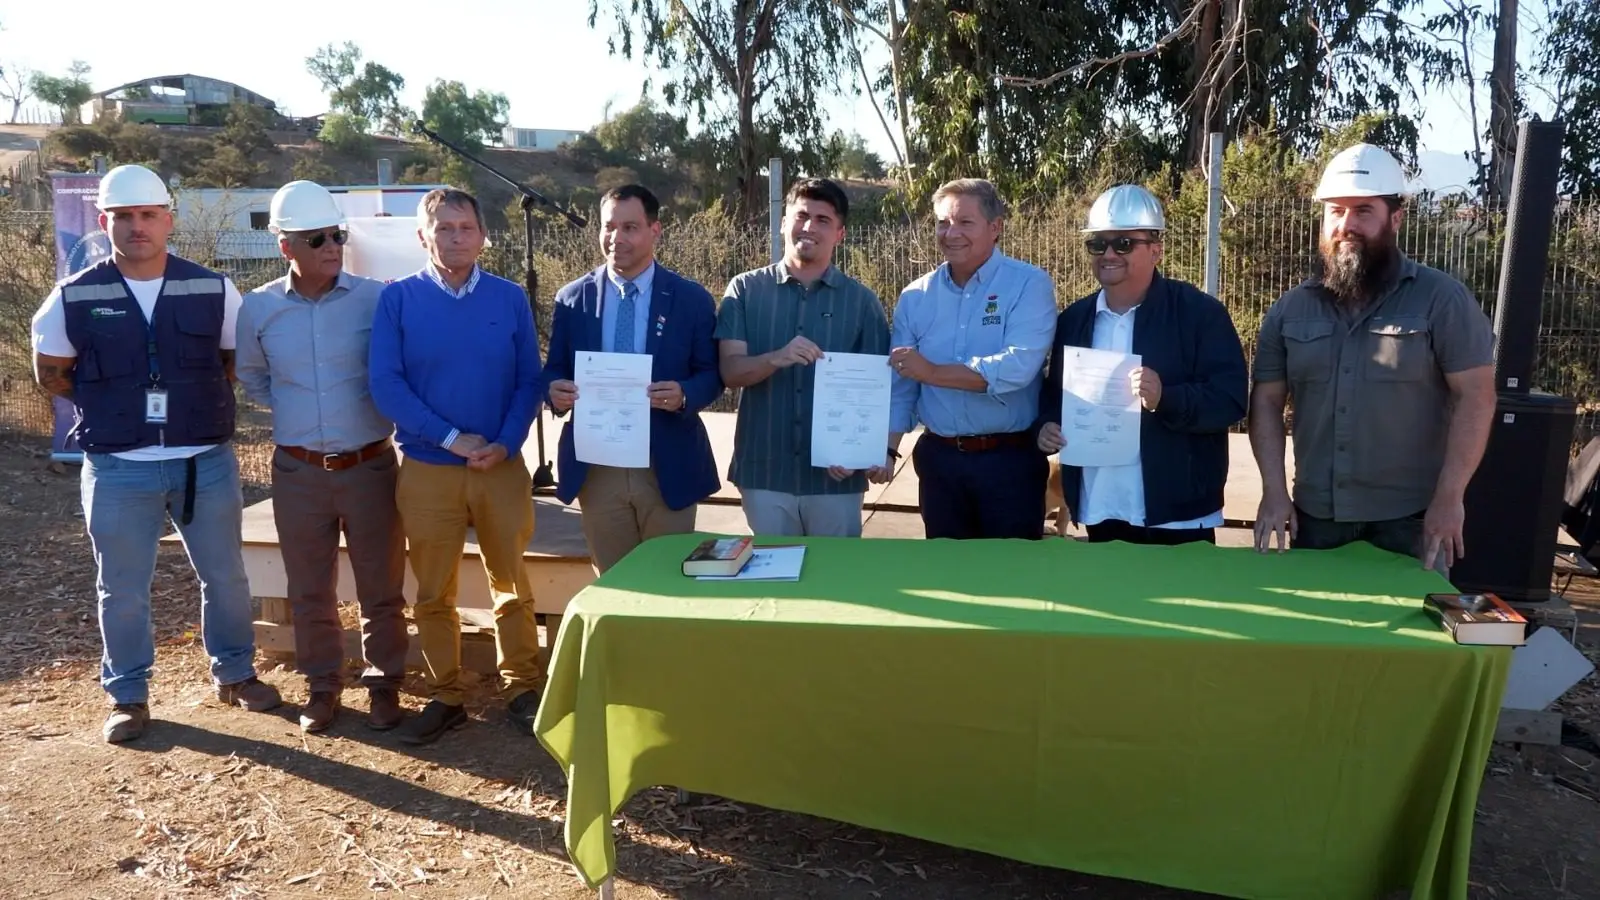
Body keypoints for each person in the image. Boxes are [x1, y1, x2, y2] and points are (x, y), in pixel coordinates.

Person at [30, 164, 281, 744]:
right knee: (121, 588)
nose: (137, 227)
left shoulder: (214, 288)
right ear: (104, 222)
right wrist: (120, 410)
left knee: (226, 578)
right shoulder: (73, 296)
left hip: (206, 465)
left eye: (148, 215)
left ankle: (236, 674)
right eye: (124, 217)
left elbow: (232, 364)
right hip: (118, 470)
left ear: (169, 219)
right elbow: (52, 376)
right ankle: (128, 694)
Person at [1249, 143, 1496, 571]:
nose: (1347, 225)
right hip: (1317, 520)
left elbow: (1477, 397)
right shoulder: (1290, 309)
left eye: (1364, 211)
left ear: (1394, 218)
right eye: (1336, 212)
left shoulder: (1441, 300)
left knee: (1411, 638)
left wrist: (1450, 497)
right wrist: (1274, 491)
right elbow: (1266, 402)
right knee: (1314, 634)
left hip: (1412, 523)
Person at [368, 187, 545, 745]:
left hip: (501, 465)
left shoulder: (508, 297)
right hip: (428, 468)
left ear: (483, 234)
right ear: (423, 236)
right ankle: (446, 694)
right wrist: (451, 439)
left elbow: (527, 379)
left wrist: (507, 441)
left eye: (466, 226)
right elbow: (385, 385)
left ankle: (522, 687)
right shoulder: (398, 301)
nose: (456, 236)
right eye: (443, 228)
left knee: (512, 582)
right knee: (434, 591)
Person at [236, 181, 408, 734]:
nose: (332, 246)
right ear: (286, 246)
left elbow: (395, 372)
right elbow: (254, 378)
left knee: (382, 586)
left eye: (338, 234)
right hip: (298, 472)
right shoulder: (258, 309)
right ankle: (323, 687)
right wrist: (300, 414)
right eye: (317, 238)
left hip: (370, 468)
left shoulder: (375, 300)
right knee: (309, 588)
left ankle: (384, 685)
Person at [1035, 185, 1248, 545]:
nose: (1109, 254)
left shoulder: (1199, 314)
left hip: (1178, 515)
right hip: (1099, 507)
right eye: (1098, 244)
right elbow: (1055, 396)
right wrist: (1044, 427)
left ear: (1157, 250)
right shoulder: (1074, 320)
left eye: (1124, 243)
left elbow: (1230, 399)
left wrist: (1166, 398)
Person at [543, 185, 722, 572]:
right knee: (613, 585)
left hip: (665, 465)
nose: (616, 238)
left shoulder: (691, 299)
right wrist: (553, 391)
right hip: (598, 467)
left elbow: (712, 373)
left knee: (668, 582)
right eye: (609, 227)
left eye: (630, 227)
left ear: (654, 231)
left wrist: (684, 394)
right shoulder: (573, 299)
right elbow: (554, 369)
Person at [716, 178, 890, 537]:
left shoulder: (861, 302)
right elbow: (730, 371)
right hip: (764, 473)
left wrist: (860, 452)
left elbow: (877, 390)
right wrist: (776, 358)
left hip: (835, 479)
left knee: (834, 586)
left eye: (823, 220)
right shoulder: (744, 291)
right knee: (772, 581)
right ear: (784, 223)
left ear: (839, 234)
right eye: (801, 215)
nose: (809, 227)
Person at [888, 178, 1058, 540]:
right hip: (939, 463)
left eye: (965, 222)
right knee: (950, 578)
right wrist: (888, 450)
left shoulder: (1028, 285)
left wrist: (932, 372)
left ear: (995, 227)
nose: (951, 233)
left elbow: (1018, 367)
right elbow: (902, 386)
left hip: (1010, 463)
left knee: (1013, 579)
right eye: (942, 222)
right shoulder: (915, 296)